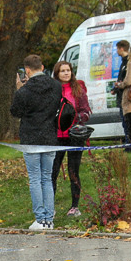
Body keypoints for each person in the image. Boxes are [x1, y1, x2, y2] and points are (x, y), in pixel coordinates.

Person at [10, 54, 60, 230]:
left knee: (35, 178)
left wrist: (18, 88)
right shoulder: (56, 86)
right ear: (43, 66)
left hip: (31, 138)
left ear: (27, 70)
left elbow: (15, 112)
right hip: (49, 136)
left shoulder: (24, 90)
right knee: (47, 177)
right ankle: (49, 219)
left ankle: (40, 219)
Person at [49, 60, 89, 217]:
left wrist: (75, 117)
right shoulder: (52, 90)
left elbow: (86, 112)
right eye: (62, 71)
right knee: (52, 172)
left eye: (68, 70)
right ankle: (49, 207)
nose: (66, 73)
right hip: (56, 137)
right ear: (57, 73)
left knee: (74, 171)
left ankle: (74, 207)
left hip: (74, 136)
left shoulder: (78, 89)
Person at [113, 40, 130, 139]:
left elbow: (125, 80)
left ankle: (129, 142)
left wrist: (119, 86)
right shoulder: (123, 62)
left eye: (117, 49)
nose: (116, 51)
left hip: (125, 97)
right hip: (121, 95)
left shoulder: (127, 63)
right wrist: (115, 89)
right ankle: (128, 141)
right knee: (124, 122)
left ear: (121, 49)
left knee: (126, 121)